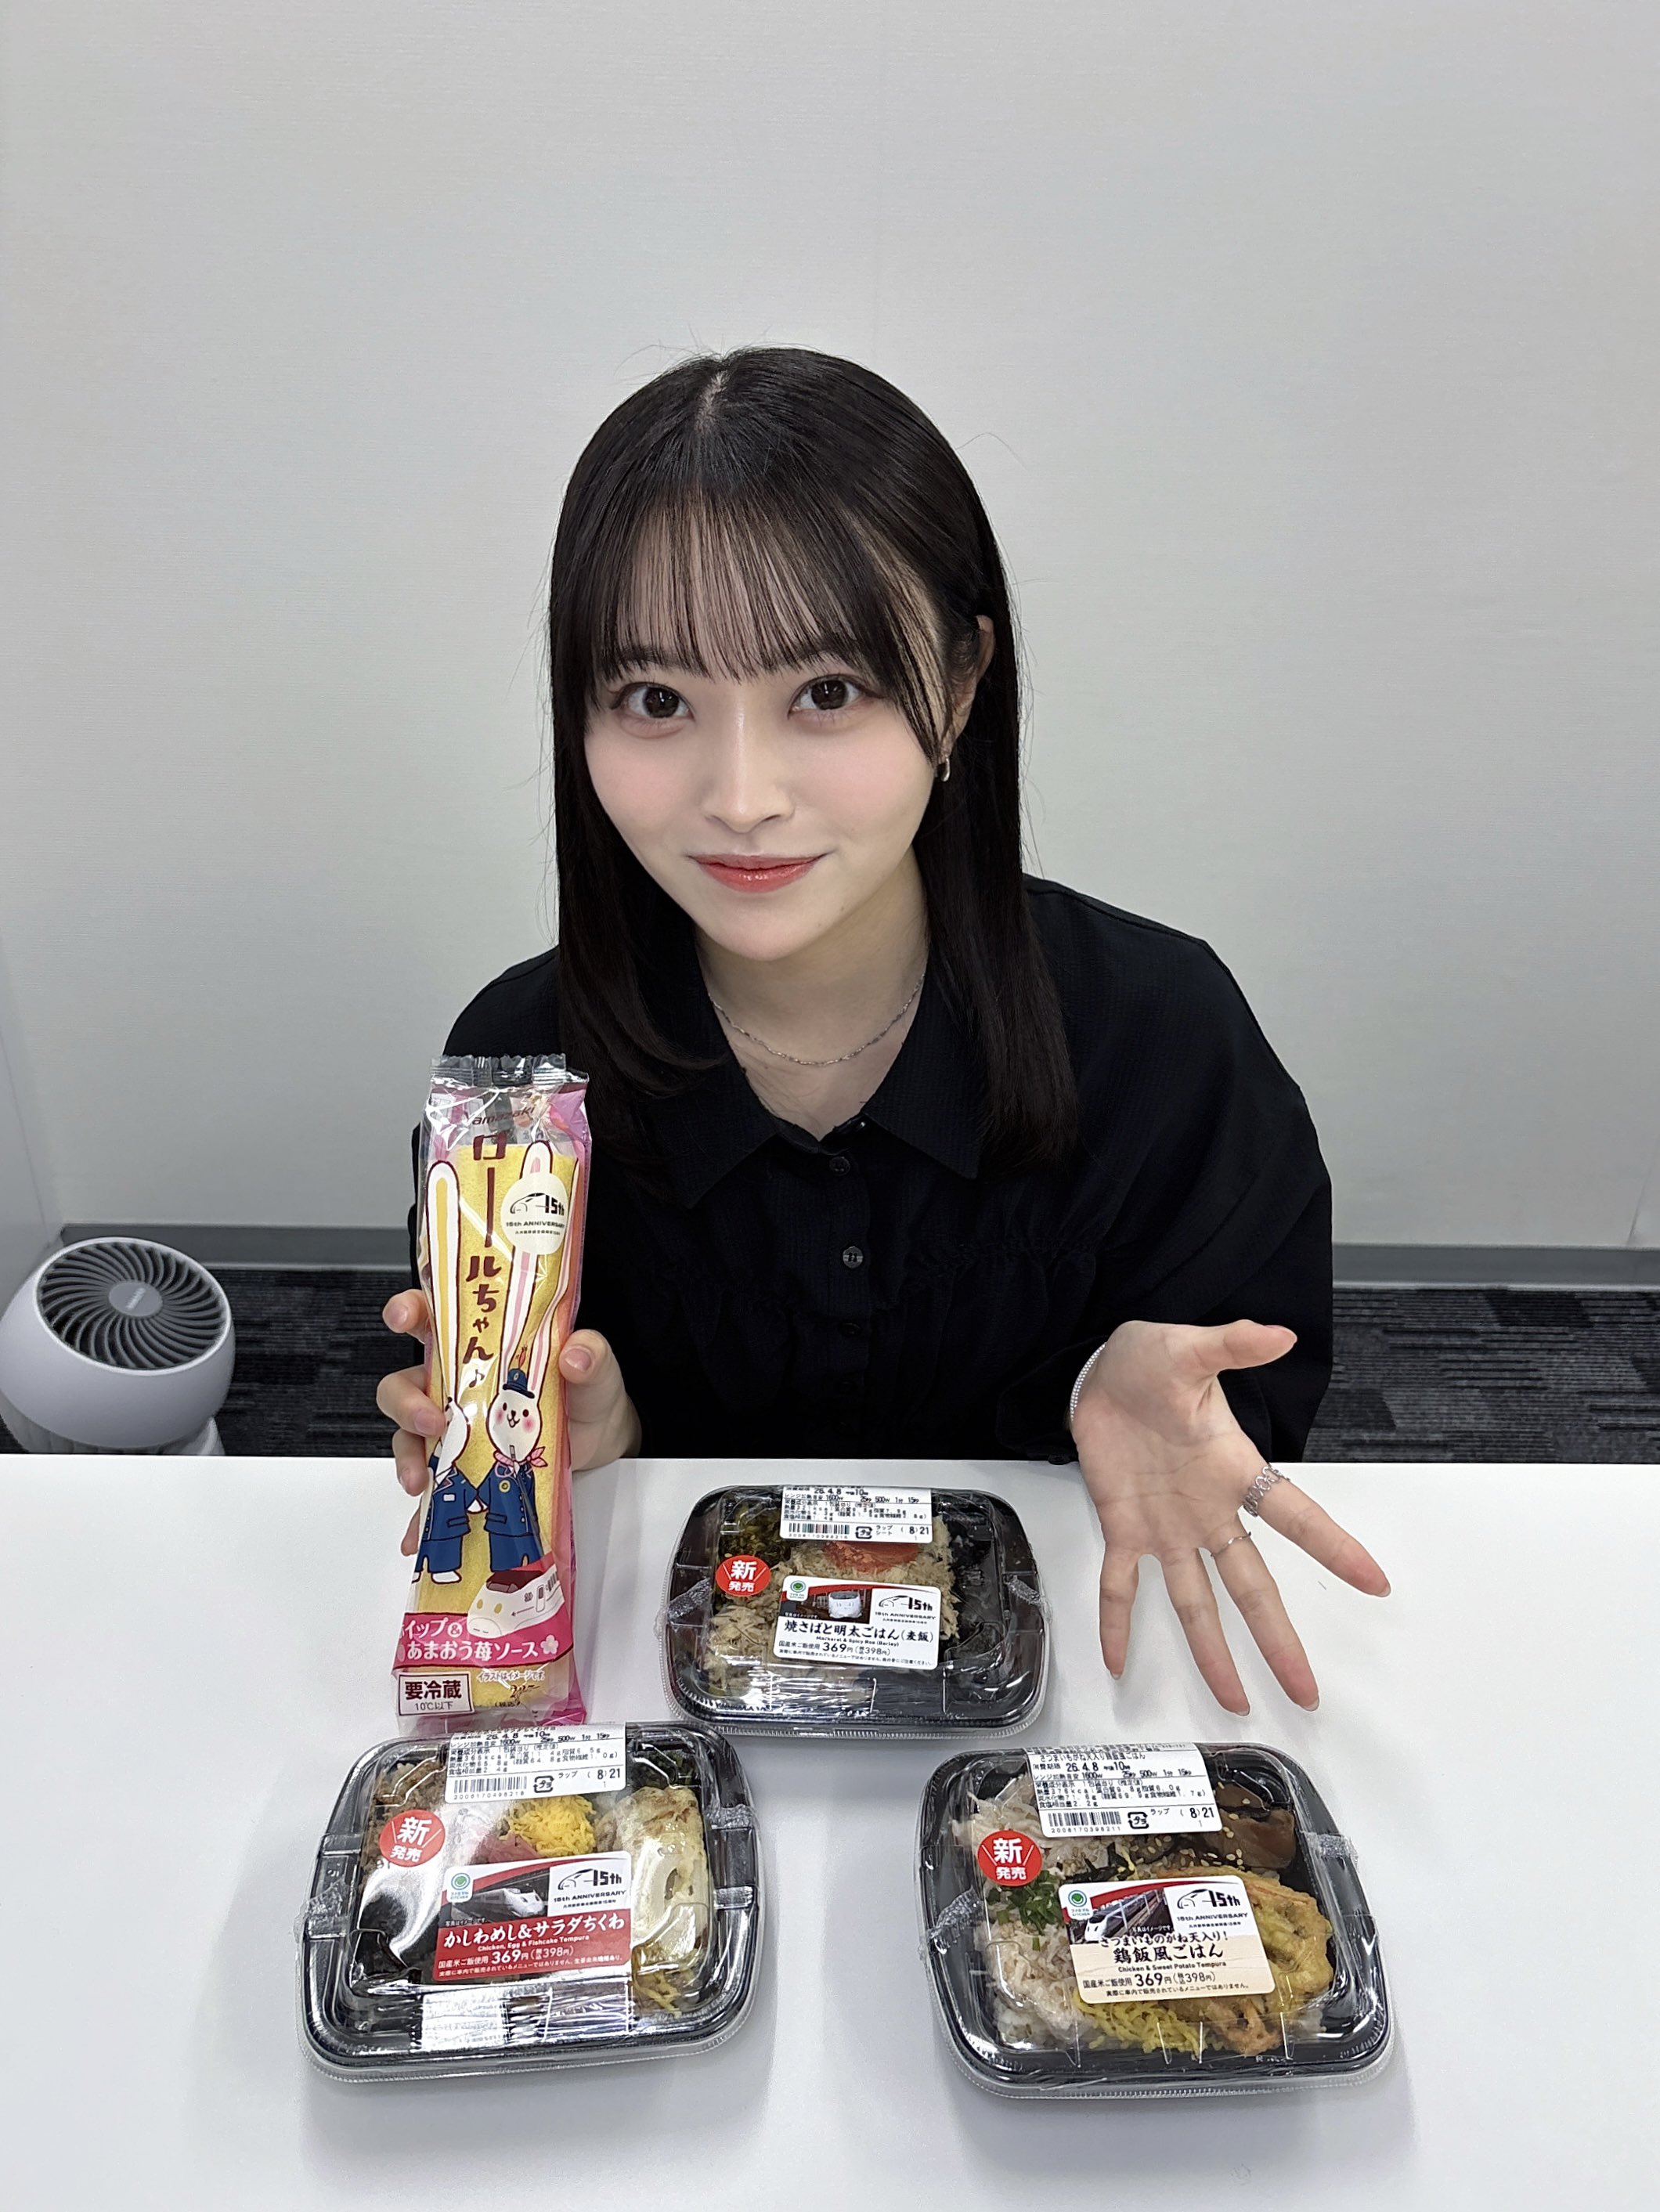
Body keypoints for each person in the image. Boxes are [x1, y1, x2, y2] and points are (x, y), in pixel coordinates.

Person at [377, 347, 1388, 1715]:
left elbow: (1233, 1437)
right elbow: (513, 1442)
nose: (743, 795)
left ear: (960, 685)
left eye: (828, 692)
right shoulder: (524, 1078)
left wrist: (1113, 1388)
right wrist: (598, 1437)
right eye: (657, 701)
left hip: (1069, 1714)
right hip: (668, 1728)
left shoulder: (1162, 1041)